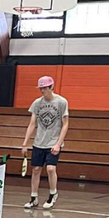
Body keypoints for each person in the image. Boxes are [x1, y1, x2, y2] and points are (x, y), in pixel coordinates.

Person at [22, 75, 69, 210]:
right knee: (36, 169)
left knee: (50, 168)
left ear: (51, 87)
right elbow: (32, 123)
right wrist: (25, 143)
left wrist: (58, 144)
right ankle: (33, 198)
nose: (42, 91)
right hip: (39, 142)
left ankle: (52, 194)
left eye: (45, 88)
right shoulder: (37, 103)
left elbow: (65, 124)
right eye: (41, 88)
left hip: (53, 142)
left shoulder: (61, 102)